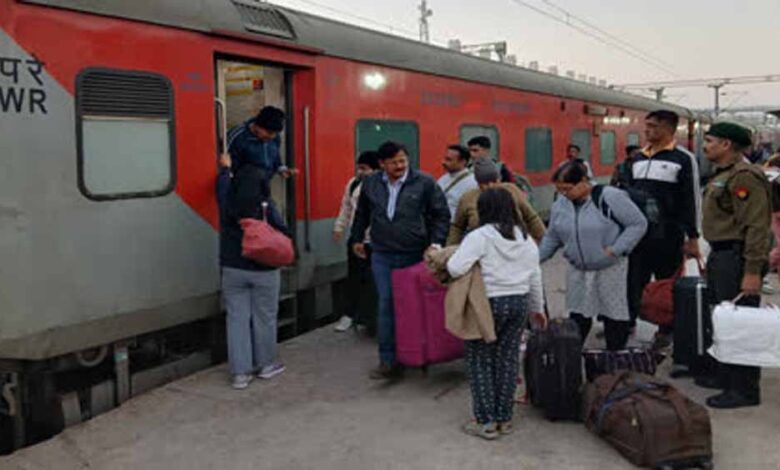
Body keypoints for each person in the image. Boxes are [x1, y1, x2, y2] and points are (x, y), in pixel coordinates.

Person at [446, 188, 543, 440]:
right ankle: (504, 419)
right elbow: (535, 275)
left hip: (487, 304)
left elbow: (455, 268)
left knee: (480, 360)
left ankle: (485, 421)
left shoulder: (480, 236)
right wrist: (537, 308)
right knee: (507, 360)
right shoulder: (525, 238)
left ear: (483, 210)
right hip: (519, 303)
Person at [349, 141, 451, 380]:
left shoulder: (424, 182)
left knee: (414, 306)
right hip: (382, 253)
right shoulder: (371, 183)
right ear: (382, 164)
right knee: (386, 305)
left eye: (403, 160)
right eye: (394, 162)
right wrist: (356, 238)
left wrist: (436, 243)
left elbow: (441, 215)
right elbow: (362, 213)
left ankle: (418, 354)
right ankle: (388, 360)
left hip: (414, 254)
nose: (400, 166)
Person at [698, 122, 771, 409]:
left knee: (741, 323)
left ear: (726, 144)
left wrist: (752, 271)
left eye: (710, 141)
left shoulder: (744, 177)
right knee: (723, 319)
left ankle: (744, 389)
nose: (705, 146)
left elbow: (756, 226)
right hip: (722, 255)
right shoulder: (724, 174)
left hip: (737, 257)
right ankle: (725, 375)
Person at [539, 160, 647, 350]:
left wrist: (616, 249)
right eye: (560, 190)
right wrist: (536, 259)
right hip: (578, 270)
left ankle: (614, 357)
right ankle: (573, 357)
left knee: (613, 316)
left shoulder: (610, 197)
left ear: (583, 181)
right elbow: (552, 237)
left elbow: (637, 224)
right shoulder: (561, 204)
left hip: (610, 268)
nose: (564, 194)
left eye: (568, 189)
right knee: (578, 316)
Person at [624, 110, 701, 350]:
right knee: (633, 281)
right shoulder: (637, 159)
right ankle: (627, 324)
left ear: (669, 129)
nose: (646, 130)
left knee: (667, 283)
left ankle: (666, 330)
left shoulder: (683, 159)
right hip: (638, 235)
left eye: (653, 126)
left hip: (669, 234)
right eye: (646, 125)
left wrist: (693, 236)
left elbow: (692, 199)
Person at [217, 152, 289, 390]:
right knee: (264, 318)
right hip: (264, 270)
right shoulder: (266, 206)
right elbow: (282, 229)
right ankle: (266, 365)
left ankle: (240, 375)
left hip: (233, 269)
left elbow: (222, 184)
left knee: (236, 319)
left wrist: (225, 169)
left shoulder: (227, 201)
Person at [332, 151, 381, 332]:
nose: (361, 172)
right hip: (356, 239)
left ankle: (369, 318)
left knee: (372, 281)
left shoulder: (381, 186)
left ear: (375, 169)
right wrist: (339, 227)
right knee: (353, 278)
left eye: (365, 168)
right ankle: (349, 314)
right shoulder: (353, 184)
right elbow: (346, 207)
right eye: (359, 168)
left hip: (376, 241)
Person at [448, 159, 545, 245]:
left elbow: (531, 217)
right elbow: (457, 227)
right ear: (478, 183)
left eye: (494, 181)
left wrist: (542, 240)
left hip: (514, 245)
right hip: (481, 248)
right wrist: (451, 248)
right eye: (485, 183)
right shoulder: (467, 199)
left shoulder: (512, 191)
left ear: (499, 179)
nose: (491, 186)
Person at [226, 106, 297, 183]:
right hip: (241, 185)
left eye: (275, 133)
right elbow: (226, 165)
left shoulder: (274, 137)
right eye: (269, 133)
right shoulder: (238, 136)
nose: (272, 136)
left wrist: (281, 169)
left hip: (264, 185)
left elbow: (275, 156)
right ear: (257, 126)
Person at [437, 145, 478, 221]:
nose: (443, 162)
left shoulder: (472, 183)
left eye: (449, 160)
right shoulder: (443, 178)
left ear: (462, 162)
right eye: (445, 158)